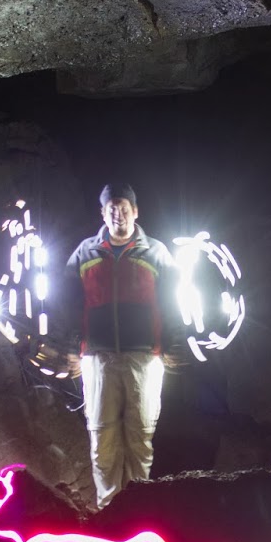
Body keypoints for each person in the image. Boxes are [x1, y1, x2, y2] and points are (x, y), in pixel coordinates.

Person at [64, 183, 178, 509]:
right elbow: (67, 303)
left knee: (140, 438)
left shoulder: (155, 251)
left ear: (135, 211)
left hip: (145, 359)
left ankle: (138, 516)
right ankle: (108, 513)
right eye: (111, 208)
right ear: (102, 213)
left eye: (124, 207)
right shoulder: (85, 252)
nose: (118, 213)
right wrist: (73, 347)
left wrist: (171, 342)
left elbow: (173, 302)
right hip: (97, 359)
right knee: (102, 440)